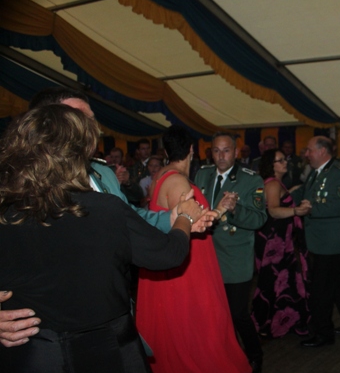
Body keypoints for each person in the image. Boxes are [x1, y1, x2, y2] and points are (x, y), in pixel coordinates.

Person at [0, 104, 204, 373]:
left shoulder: (6, 211)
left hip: (34, 361)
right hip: (106, 355)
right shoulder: (103, 208)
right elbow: (167, 254)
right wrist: (185, 219)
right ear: (78, 151)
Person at [0, 86, 215, 349]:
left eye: (91, 119)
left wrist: (173, 217)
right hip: (37, 336)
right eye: (78, 118)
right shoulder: (8, 189)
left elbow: (130, 217)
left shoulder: (104, 174)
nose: (91, 127)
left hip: (105, 321)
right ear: (47, 123)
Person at [136, 125, 251, 373]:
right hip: (188, 260)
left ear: (166, 150)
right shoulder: (178, 181)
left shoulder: (161, 176)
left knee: (174, 320)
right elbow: (195, 222)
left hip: (177, 255)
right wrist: (222, 207)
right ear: (192, 150)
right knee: (195, 319)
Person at [195, 132, 268, 373]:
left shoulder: (250, 179)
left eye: (226, 150)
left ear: (236, 153)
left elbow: (259, 219)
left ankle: (255, 356)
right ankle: (224, 358)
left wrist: (236, 209)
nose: (221, 156)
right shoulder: (202, 174)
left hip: (235, 258)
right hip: (207, 255)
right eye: (216, 151)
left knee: (238, 313)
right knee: (214, 313)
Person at [292, 136, 340, 348]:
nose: (306, 154)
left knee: (321, 290)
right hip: (322, 240)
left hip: (331, 244)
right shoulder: (317, 172)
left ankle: (323, 334)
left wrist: (311, 209)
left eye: (309, 150)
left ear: (322, 151)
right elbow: (305, 193)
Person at [252, 149, 312, 337]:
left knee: (280, 281)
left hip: (278, 240)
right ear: (271, 166)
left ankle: (277, 322)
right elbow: (274, 210)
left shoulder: (275, 183)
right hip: (274, 242)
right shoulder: (272, 184)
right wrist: (296, 211)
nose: (285, 162)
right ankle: (266, 323)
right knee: (272, 281)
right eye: (280, 160)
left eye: (284, 159)